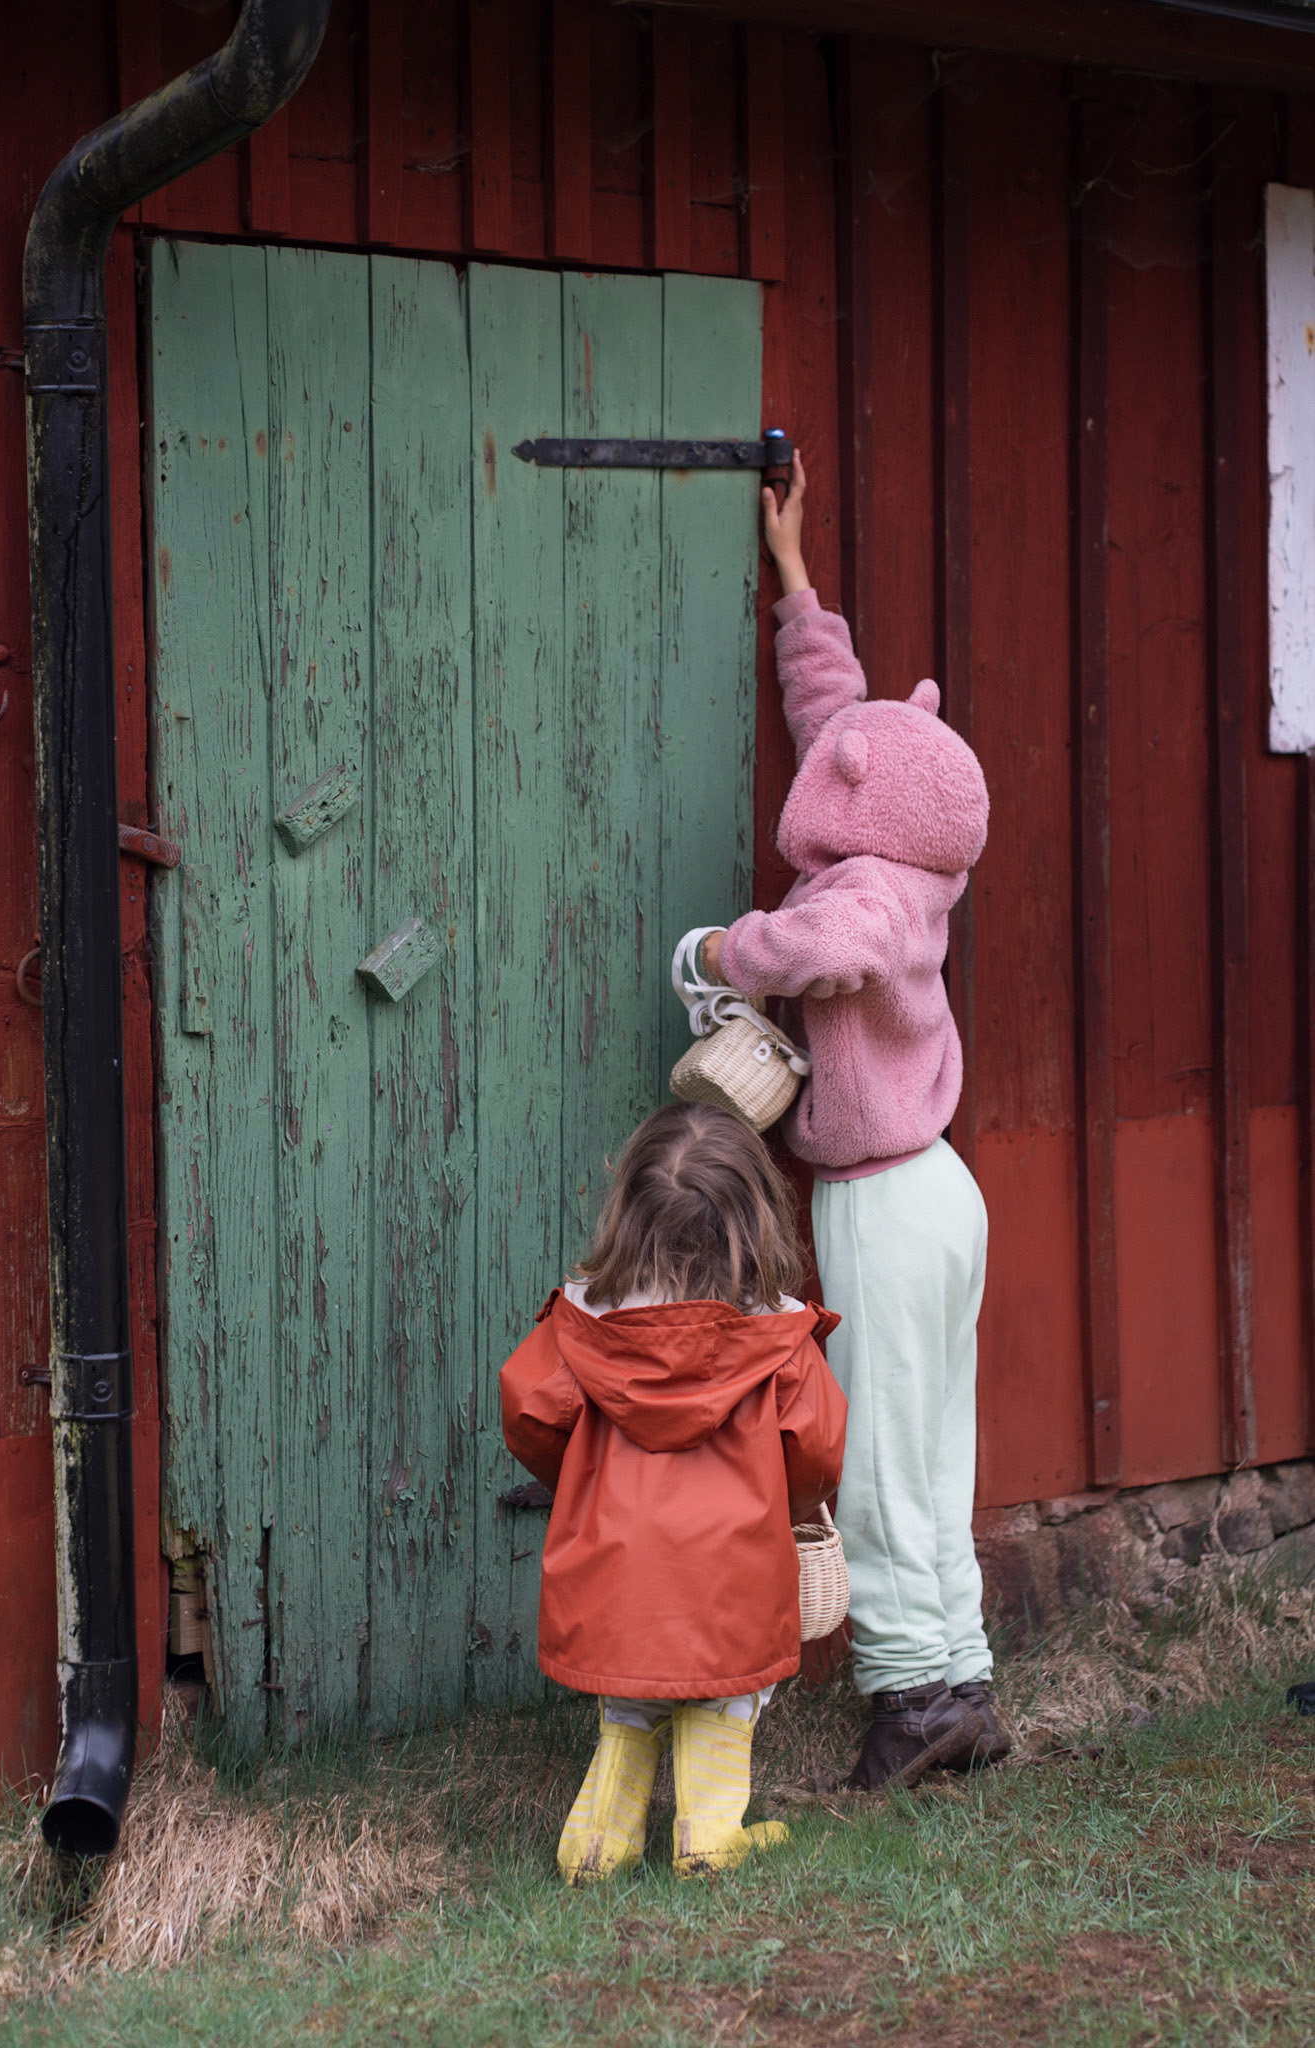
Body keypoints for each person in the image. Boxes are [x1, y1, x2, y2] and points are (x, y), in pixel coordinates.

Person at [698, 452, 1010, 1791]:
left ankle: (904, 1693)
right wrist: (793, 579)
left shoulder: (868, 897)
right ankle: (960, 1682)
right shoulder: (907, 841)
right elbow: (842, 722)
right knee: (935, 1449)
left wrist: (721, 951)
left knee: (881, 1457)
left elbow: (826, 947)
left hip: (884, 1193)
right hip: (939, 1187)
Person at [500, 1101, 847, 1883]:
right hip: (733, 1575)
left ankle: (595, 1847)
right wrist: (786, 1508)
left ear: (627, 1215)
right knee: (723, 1696)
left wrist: (576, 1482)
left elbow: (529, 1412)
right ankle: (709, 1839)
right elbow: (817, 1452)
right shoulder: (778, 1340)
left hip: (614, 1574)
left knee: (628, 1710)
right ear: (755, 1220)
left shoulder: (581, 1326)